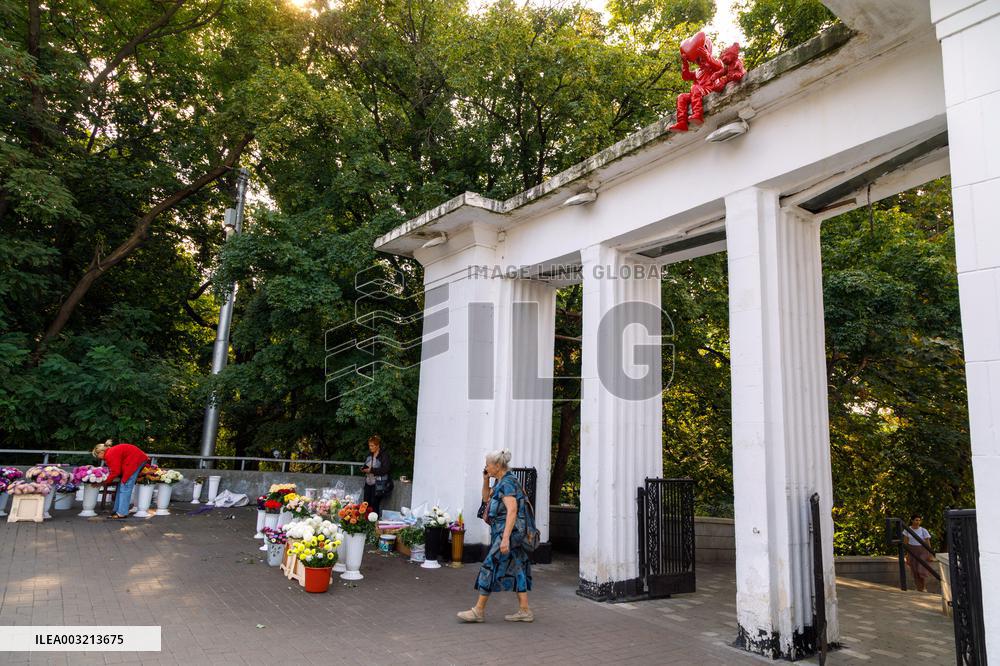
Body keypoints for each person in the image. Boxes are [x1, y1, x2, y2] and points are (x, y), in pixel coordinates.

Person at [457, 448, 533, 623]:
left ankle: (478, 611)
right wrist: (485, 480)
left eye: (488, 465)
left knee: (489, 565)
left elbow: (512, 510)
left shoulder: (507, 483)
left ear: (498, 466)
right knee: (518, 566)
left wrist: (505, 538)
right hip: (507, 532)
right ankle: (525, 610)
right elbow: (485, 499)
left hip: (509, 533)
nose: (486, 467)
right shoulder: (501, 481)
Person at [92, 440, 150, 520]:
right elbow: (116, 470)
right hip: (136, 459)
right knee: (121, 486)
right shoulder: (111, 452)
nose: (98, 458)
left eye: (97, 455)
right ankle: (116, 510)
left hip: (135, 461)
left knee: (125, 487)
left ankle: (122, 513)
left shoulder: (109, 454)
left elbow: (116, 472)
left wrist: (104, 482)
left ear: (101, 452)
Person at [360, 434, 392, 516]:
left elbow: (385, 469)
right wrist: (364, 469)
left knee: (374, 504)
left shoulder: (384, 455)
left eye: (372, 446)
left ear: (378, 445)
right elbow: (367, 465)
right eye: (369, 446)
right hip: (368, 483)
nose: (370, 447)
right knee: (366, 503)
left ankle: (374, 524)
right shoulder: (369, 454)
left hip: (378, 484)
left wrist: (372, 470)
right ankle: (366, 523)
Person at [904, 514, 934, 592]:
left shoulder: (923, 530)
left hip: (922, 551)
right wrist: (907, 554)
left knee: (921, 569)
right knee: (914, 570)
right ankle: (918, 588)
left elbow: (928, 542)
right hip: (912, 550)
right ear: (912, 520)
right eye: (916, 520)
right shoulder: (907, 530)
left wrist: (930, 554)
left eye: (919, 520)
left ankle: (923, 587)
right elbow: (905, 542)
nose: (918, 522)